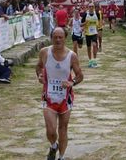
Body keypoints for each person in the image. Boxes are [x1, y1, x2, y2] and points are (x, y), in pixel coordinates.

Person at [35, 27, 83, 160]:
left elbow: (80, 75)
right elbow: (39, 66)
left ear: (65, 38)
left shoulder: (72, 56)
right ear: (51, 38)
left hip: (65, 98)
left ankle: (61, 157)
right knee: (51, 130)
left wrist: (72, 82)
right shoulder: (45, 52)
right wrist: (40, 76)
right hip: (48, 97)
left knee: (63, 129)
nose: (57, 40)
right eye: (55, 37)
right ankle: (53, 145)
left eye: (60, 37)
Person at [81, 3, 100, 68]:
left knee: (94, 45)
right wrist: (85, 23)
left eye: (92, 6)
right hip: (87, 33)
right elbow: (81, 24)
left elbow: (98, 24)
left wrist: (98, 32)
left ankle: (94, 61)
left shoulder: (96, 14)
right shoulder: (85, 14)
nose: (91, 8)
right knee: (89, 48)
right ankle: (90, 61)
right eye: (90, 6)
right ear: (88, 7)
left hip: (94, 33)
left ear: (94, 7)